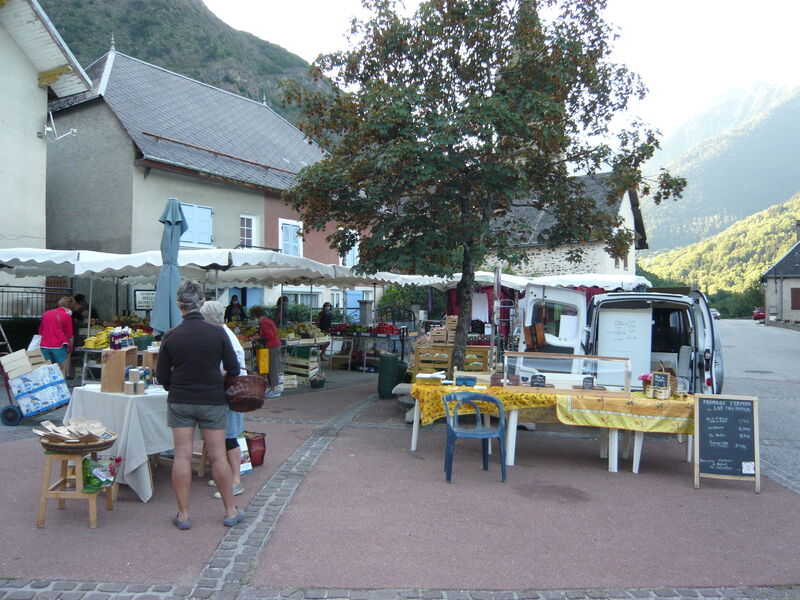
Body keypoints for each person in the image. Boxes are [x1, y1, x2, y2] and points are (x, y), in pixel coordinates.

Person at [156, 280, 244, 530]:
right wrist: (216, 380)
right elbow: (234, 369)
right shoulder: (218, 333)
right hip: (212, 401)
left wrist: (177, 384)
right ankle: (230, 511)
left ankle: (183, 515)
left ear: (178, 305)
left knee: (182, 456)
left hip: (181, 400)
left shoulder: (171, 336)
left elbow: (162, 377)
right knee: (218, 457)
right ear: (202, 304)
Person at [199, 300, 248, 499]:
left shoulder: (224, 335)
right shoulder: (222, 333)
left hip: (230, 392)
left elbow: (232, 366)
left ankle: (235, 481)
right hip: (226, 392)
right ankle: (225, 475)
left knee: (230, 437)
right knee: (223, 436)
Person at [39, 296, 77, 378]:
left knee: (46, 368)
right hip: (59, 345)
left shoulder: (46, 314)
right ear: (70, 307)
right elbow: (69, 334)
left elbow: (41, 331)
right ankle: (61, 384)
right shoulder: (67, 316)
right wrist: (70, 346)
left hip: (44, 345)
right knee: (62, 368)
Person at [249, 305, 282, 398]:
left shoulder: (263, 322)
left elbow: (269, 335)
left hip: (272, 345)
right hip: (274, 345)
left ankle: (275, 389)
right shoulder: (266, 320)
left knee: (272, 367)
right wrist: (257, 335)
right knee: (271, 366)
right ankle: (272, 388)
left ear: (255, 315)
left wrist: (258, 337)